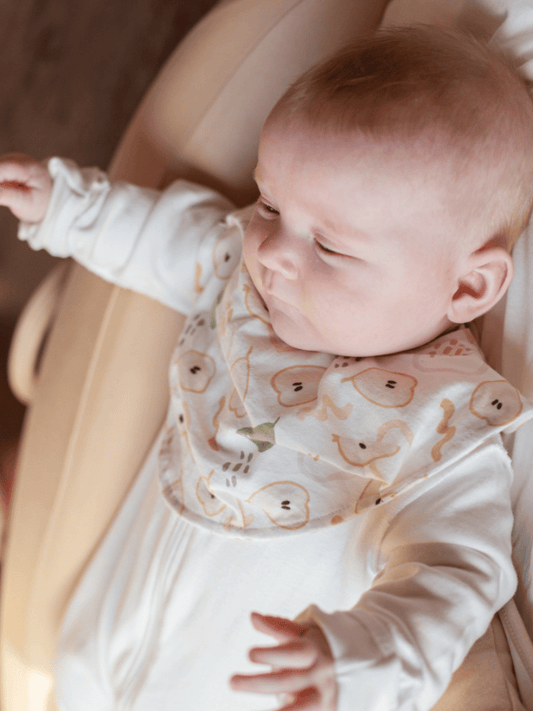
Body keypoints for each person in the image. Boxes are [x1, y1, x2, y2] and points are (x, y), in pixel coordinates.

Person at [1, 24, 533, 711]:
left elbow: (452, 577)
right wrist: (63, 205)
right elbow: (159, 236)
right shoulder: (248, 285)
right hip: (100, 644)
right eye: (271, 203)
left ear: (466, 288)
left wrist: (357, 652)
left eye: (329, 246)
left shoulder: (441, 432)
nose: (273, 249)